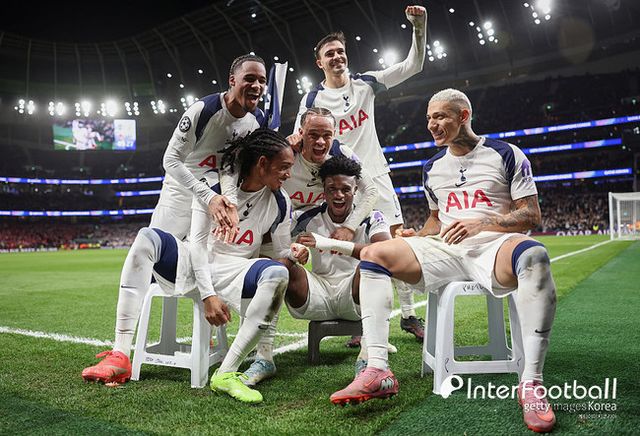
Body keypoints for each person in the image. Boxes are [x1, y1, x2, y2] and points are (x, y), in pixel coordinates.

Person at [330, 88, 557, 433]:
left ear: (463, 116)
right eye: (428, 118)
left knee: (535, 255)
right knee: (374, 254)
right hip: (446, 248)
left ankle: (532, 382)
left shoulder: (506, 154)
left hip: (494, 245)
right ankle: (377, 369)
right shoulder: (432, 167)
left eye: (439, 117)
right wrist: (417, 235)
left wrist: (482, 223)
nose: (431, 125)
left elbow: (531, 215)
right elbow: (437, 220)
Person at [82, 129, 305, 404]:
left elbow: (281, 251)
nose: (288, 175)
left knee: (278, 273)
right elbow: (197, 244)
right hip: (194, 260)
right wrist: (208, 295)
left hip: (235, 269)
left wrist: (296, 252)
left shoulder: (281, 201)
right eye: (284, 167)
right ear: (262, 164)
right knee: (146, 238)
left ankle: (226, 373)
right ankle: (120, 354)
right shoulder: (213, 185)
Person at [294, 6, 428, 340]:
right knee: (347, 244)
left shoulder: (366, 84)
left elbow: (413, 65)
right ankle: (359, 319)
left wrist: (419, 26)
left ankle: (409, 315)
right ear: (320, 63)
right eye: (329, 53)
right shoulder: (312, 98)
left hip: (374, 175)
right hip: (336, 181)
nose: (337, 57)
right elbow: (300, 136)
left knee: (394, 241)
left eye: (340, 51)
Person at [240, 107, 379, 385]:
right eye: (313, 134)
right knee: (269, 272)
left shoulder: (341, 153)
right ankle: (262, 354)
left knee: (373, 258)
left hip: (315, 222)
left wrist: (350, 226)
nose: (320, 142)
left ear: (334, 135)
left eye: (327, 135)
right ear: (301, 133)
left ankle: (374, 342)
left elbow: (371, 191)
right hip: (279, 223)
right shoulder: (287, 153)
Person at [150, 54, 268, 241]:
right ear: (232, 80)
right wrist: (208, 196)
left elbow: (234, 166)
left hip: (218, 202)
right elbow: (171, 160)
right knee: (157, 251)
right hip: (180, 197)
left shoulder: (258, 121)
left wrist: (231, 201)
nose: (257, 86)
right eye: (249, 78)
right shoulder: (204, 110)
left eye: (262, 81)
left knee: (200, 258)